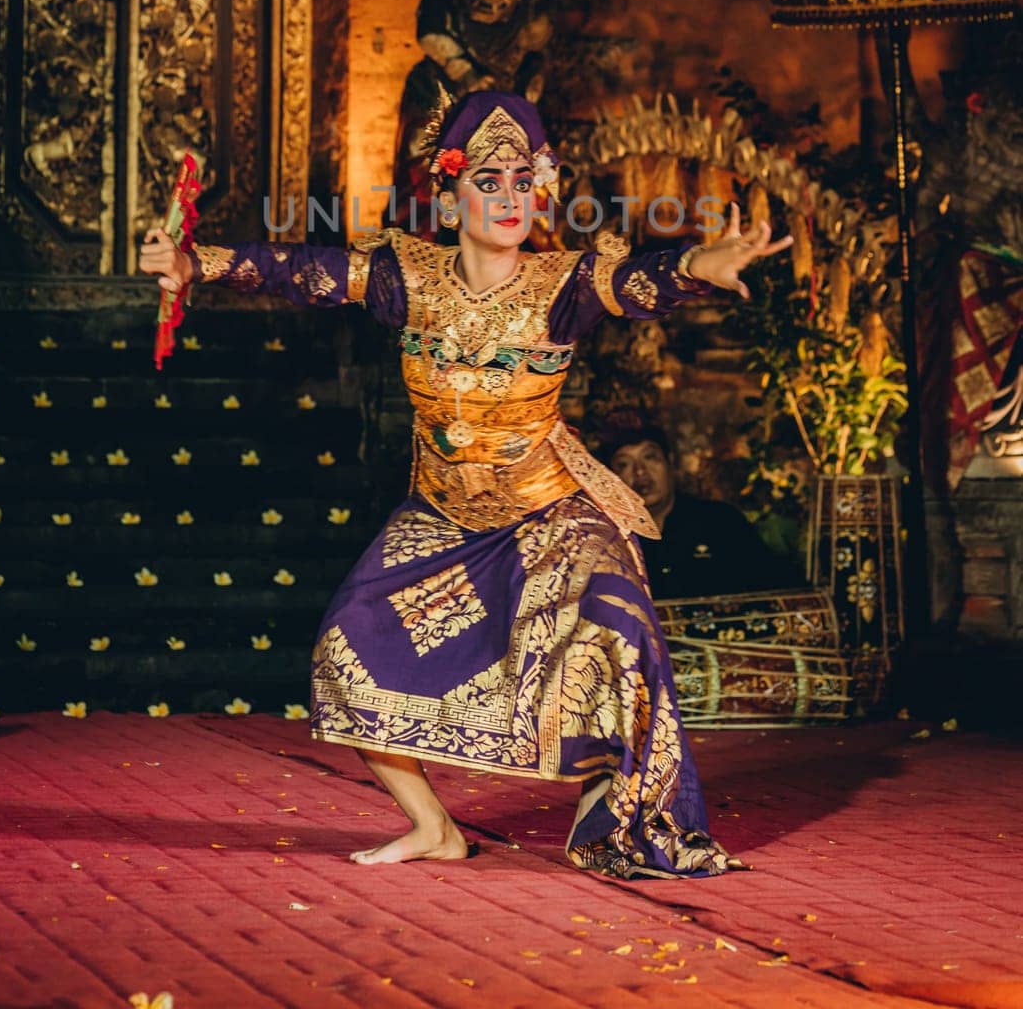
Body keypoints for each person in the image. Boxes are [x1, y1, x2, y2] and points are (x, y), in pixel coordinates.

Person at [140, 93, 791, 879]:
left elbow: (641, 283)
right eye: (491, 181)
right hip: (442, 517)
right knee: (341, 656)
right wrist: (194, 263)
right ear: (448, 200)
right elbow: (299, 272)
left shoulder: (564, 285)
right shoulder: (404, 277)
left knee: (615, 624)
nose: (512, 197)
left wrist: (697, 266)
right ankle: (433, 826)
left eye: (525, 179)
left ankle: (618, 799)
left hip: (550, 508)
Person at [601, 418, 804, 598]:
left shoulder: (720, 521)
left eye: (650, 457)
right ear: (611, 478)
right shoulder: (609, 540)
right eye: (624, 464)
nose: (640, 472)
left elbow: (774, 584)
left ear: (670, 462)